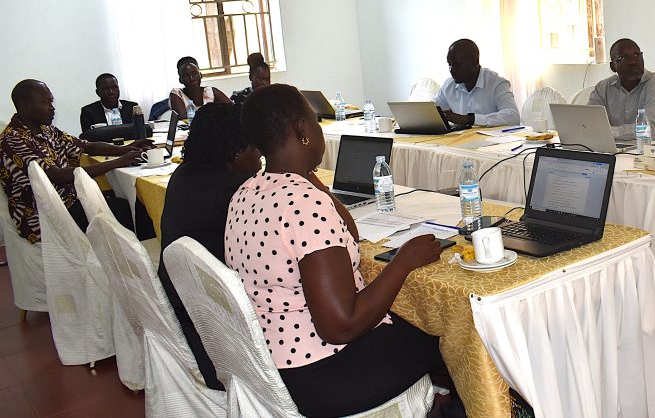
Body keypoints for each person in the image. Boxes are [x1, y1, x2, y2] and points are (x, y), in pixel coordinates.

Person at [226, 84, 451, 417]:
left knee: (410, 327)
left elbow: (350, 232)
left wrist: (309, 178)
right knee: (446, 336)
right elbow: (340, 327)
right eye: (315, 122)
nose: (318, 129)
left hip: (271, 367)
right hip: (322, 375)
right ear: (303, 130)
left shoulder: (246, 192)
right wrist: (403, 263)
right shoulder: (303, 204)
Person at [157, 103, 262, 391]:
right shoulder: (234, 192)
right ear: (236, 150)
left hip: (184, 304)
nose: (261, 155)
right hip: (217, 330)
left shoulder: (183, 175)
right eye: (256, 147)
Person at [0, 79, 152, 242]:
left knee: (133, 204)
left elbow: (86, 146)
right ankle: (140, 261)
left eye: (52, 101)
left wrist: (126, 149)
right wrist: (118, 162)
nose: (52, 107)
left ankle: (139, 258)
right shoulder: (12, 140)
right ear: (25, 105)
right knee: (131, 211)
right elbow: (56, 175)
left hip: (69, 201)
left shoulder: (46, 129)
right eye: (46, 102)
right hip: (45, 216)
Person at [588, 38, 655, 143]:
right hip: (619, 154)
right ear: (613, 67)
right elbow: (590, 124)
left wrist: (609, 132)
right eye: (623, 58)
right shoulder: (603, 88)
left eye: (636, 55)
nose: (633, 61)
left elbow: (647, 130)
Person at [433, 39, 520, 127]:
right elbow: (431, 112)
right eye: (449, 64)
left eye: (457, 65)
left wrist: (470, 119)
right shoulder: (448, 86)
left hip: (493, 140)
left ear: (475, 61)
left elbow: (513, 117)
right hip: (462, 139)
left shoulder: (496, 83)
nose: (452, 70)